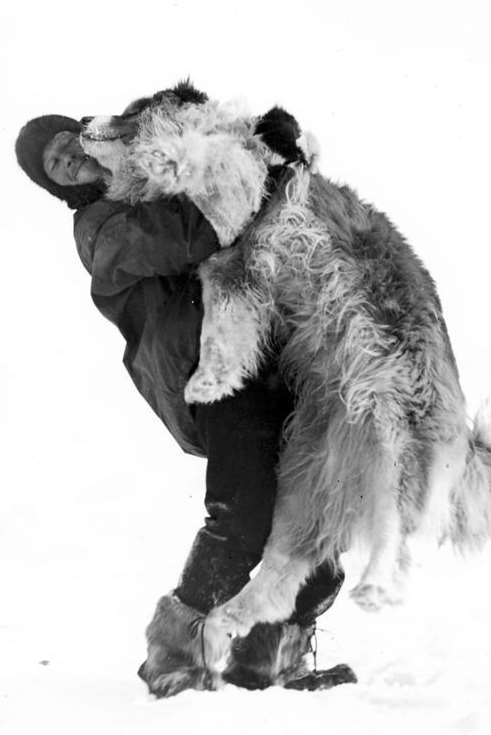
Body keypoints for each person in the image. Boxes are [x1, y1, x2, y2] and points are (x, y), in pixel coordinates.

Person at [15, 110, 355, 696]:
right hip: (212, 376)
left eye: (69, 142)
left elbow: (235, 190)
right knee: (244, 517)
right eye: (54, 163)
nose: (68, 156)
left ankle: (270, 658)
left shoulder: (158, 174)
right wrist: (256, 176)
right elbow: (193, 231)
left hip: (272, 356)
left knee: (312, 517)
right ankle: (175, 655)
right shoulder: (100, 228)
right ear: (55, 185)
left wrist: (277, 157)